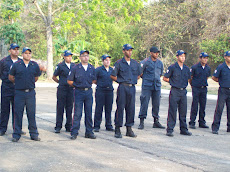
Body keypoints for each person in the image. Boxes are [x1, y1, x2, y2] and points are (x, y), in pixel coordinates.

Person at [9, 47, 41, 142]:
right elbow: (11, 77)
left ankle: (34, 134)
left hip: (30, 93)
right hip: (19, 93)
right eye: (26, 53)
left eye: (29, 53)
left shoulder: (34, 65)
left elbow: (36, 77)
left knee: (31, 114)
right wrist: (19, 83)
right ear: (22, 54)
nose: (28, 55)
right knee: (18, 114)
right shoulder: (16, 65)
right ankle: (16, 134)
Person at [111, 44, 141, 138]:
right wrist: (121, 80)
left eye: (131, 50)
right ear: (124, 51)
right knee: (120, 107)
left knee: (131, 108)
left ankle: (129, 128)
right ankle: (117, 128)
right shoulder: (119, 63)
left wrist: (132, 80)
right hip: (123, 87)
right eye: (128, 50)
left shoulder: (135, 63)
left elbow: (139, 74)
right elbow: (113, 75)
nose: (130, 52)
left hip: (132, 87)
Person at [67, 50, 96, 140]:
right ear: (80, 57)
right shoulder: (76, 68)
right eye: (83, 56)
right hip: (79, 92)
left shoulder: (91, 68)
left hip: (88, 92)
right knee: (77, 113)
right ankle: (74, 132)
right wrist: (77, 86)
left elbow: (94, 80)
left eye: (87, 55)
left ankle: (89, 132)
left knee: (89, 112)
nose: (85, 57)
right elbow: (69, 81)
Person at [163, 50, 192, 137]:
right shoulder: (172, 67)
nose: (183, 58)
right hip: (175, 91)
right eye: (181, 56)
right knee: (172, 111)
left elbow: (189, 78)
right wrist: (172, 82)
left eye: (184, 56)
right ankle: (170, 129)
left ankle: (183, 129)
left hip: (183, 91)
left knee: (183, 111)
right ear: (177, 57)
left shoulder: (186, 68)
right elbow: (165, 78)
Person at [0, 43, 26, 136]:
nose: (16, 51)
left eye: (17, 49)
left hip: (18, 89)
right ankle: (2, 128)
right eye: (14, 49)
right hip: (6, 88)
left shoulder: (21, 61)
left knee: (18, 110)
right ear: (10, 50)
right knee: (4, 109)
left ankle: (17, 128)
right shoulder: (4, 61)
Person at [138, 46, 165, 130]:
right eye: (155, 52)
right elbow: (140, 73)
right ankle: (141, 121)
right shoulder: (145, 62)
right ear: (151, 53)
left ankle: (156, 121)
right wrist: (147, 79)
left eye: (158, 53)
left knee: (156, 104)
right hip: (147, 85)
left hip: (156, 86)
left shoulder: (160, 63)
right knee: (144, 103)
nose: (156, 54)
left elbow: (160, 74)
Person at [52, 50, 75, 133]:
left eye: (70, 56)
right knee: (60, 108)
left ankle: (68, 126)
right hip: (62, 89)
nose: (69, 58)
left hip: (71, 89)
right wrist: (60, 82)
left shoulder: (74, 66)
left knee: (69, 108)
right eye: (68, 56)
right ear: (64, 57)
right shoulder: (60, 66)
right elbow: (54, 76)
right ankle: (58, 126)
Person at [189, 52, 211, 129]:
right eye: (204, 58)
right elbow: (190, 77)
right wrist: (193, 85)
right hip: (196, 88)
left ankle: (201, 122)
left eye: (206, 58)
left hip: (204, 88)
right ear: (200, 58)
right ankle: (192, 122)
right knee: (195, 105)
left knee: (203, 105)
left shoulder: (208, 68)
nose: (205, 60)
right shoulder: (194, 67)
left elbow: (207, 77)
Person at [93, 54, 114, 132]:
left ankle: (108, 125)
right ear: (102, 61)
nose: (108, 61)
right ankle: (96, 126)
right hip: (101, 91)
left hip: (109, 91)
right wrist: (101, 84)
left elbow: (114, 78)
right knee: (99, 108)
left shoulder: (112, 70)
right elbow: (94, 80)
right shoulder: (98, 70)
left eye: (109, 60)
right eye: (106, 60)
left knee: (108, 109)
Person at [211, 51, 230, 134]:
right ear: (225, 57)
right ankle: (215, 127)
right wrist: (221, 82)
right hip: (223, 90)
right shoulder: (221, 67)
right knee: (219, 108)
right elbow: (214, 77)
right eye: (229, 56)